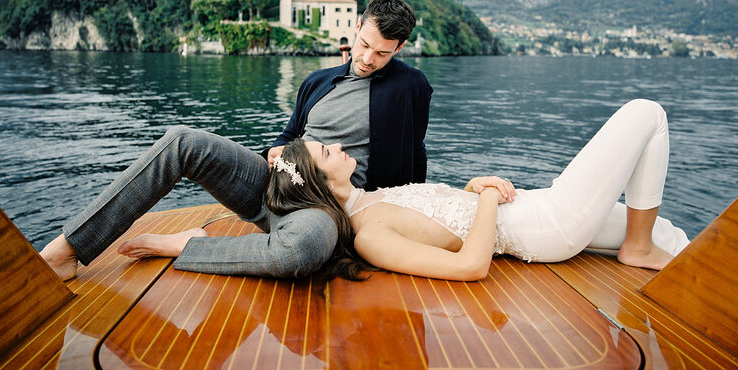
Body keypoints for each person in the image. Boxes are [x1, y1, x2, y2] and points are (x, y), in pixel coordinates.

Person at [40, 0, 432, 281]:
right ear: (356, 29)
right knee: (183, 141)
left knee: (301, 251)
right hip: (277, 185)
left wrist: (409, 220)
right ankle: (66, 250)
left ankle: (187, 245)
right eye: (364, 45)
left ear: (399, 47)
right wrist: (274, 150)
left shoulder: (411, 86)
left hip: (326, 211)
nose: (367, 59)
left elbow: (414, 157)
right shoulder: (318, 81)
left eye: (382, 53)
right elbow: (289, 134)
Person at [236, 98, 687, 280]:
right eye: (325, 152)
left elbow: (443, 214)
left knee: (667, 232)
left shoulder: (371, 195)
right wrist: (488, 195)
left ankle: (645, 244)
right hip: (543, 228)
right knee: (647, 114)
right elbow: (471, 265)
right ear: (320, 181)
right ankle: (637, 249)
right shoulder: (370, 236)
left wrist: (473, 186)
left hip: (532, 202)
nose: (336, 145)